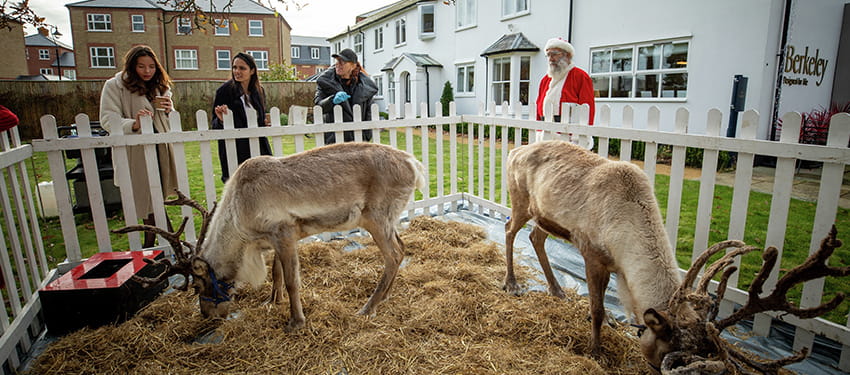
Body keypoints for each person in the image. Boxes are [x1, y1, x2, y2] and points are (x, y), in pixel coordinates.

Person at [100, 45, 178, 248]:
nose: (147, 71)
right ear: (132, 67)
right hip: (135, 153)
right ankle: (164, 246)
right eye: (142, 66)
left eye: (152, 66)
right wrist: (133, 124)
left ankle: (155, 246)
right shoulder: (114, 86)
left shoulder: (160, 87)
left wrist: (169, 110)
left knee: (155, 201)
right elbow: (107, 118)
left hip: (160, 150)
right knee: (147, 202)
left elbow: (167, 123)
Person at [212, 52, 273, 182]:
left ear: (252, 71)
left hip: (258, 146)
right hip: (235, 148)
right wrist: (222, 120)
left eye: (242, 68)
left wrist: (264, 123)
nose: (237, 71)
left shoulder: (259, 91)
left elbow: (258, 119)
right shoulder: (224, 91)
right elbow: (214, 124)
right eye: (234, 67)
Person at [314, 48, 378, 144]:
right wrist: (332, 100)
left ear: (353, 65)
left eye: (342, 62)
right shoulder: (325, 82)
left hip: (358, 140)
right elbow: (318, 106)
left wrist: (366, 137)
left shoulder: (365, 87)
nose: (338, 64)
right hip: (334, 140)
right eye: (337, 61)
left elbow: (369, 114)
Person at [536, 37, 596, 137]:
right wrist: (538, 130)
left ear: (567, 55)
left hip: (569, 134)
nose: (551, 58)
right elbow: (539, 105)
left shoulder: (580, 77)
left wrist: (584, 136)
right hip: (545, 132)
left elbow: (587, 108)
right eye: (548, 55)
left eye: (554, 54)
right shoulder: (545, 80)